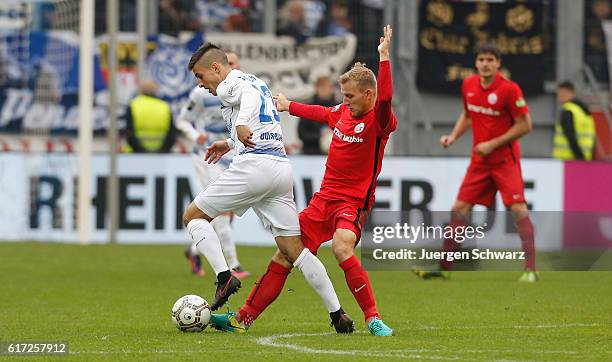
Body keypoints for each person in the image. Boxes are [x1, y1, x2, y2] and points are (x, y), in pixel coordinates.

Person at [212, 25, 396, 336]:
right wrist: (289, 107)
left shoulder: (379, 120)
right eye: (344, 96)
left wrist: (384, 58)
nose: (346, 101)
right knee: (284, 253)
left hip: (352, 203)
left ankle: (373, 318)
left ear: (368, 95)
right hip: (323, 201)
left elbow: (386, 97)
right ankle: (242, 319)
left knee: (341, 247)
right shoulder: (343, 112)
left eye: (351, 96)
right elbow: (324, 113)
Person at [183, 43, 351, 332]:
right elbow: (259, 117)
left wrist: (241, 125)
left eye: (200, 76)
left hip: (255, 167)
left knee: (193, 217)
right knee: (294, 250)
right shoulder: (255, 81)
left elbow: (247, 105)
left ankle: (225, 277)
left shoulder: (229, 84)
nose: (200, 84)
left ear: (216, 68)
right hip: (279, 169)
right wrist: (231, 142)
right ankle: (338, 314)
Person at [413, 43, 538, 283]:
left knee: (518, 209)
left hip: (504, 161)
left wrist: (493, 144)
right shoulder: (468, 85)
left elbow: (525, 125)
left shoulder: (510, 90)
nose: (486, 64)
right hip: (480, 162)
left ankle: (531, 269)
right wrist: (453, 136)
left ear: (498, 63)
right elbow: (468, 114)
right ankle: (444, 267)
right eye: (481, 59)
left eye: (491, 59)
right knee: (459, 209)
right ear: (476, 63)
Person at [177, 50, 250, 279]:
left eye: (235, 63)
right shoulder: (201, 94)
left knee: (221, 212)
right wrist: (194, 135)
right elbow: (182, 120)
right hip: (207, 155)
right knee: (221, 211)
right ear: (218, 67)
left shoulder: (244, 89)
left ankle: (193, 251)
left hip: (233, 154)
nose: (232, 67)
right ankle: (234, 265)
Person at [124, 79, 177, 153]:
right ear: (156, 91)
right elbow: (171, 135)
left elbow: (129, 133)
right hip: (161, 155)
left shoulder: (133, 105)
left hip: (135, 155)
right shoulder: (165, 107)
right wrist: (162, 151)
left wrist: (141, 151)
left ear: (140, 90)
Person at [552, 81, 596, 161]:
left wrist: (580, 157)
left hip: (568, 159)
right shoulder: (583, 111)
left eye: (562, 94)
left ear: (572, 93)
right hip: (585, 158)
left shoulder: (568, 111)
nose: (559, 97)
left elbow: (570, 136)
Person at [298, 75, 337, 155]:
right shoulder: (308, 107)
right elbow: (302, 133)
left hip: (334, 153)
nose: (326, 90)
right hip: (312, 153)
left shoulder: (338, 108)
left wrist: (333, 136)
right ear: (317, 88)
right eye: (323, 87)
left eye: (328, 87)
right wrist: (320, 137)